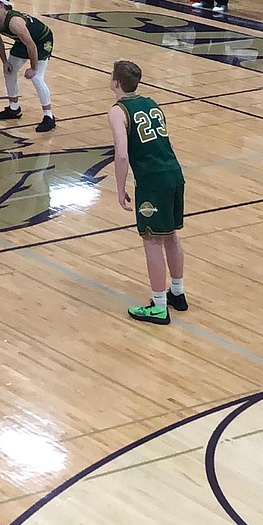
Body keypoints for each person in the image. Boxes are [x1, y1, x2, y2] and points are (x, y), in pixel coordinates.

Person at [107, 61, 187, 327]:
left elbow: (121, 154)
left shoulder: (118, 111)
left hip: (153, 181)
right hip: (174, 173)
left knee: (152, 240)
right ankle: (177, 292)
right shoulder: (152, 103)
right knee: (171, 235)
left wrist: (119, 189)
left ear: (116, 82)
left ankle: (158, 306)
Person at [0, 0, 56, 132]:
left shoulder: (15, 22)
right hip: (22, 42)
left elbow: (32, 46)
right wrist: (5, 61)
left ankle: (49, 116)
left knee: (36, 78)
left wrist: (33, 68)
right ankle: (14, 109)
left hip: (41, 41)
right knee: (9, 72)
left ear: (2, 5)